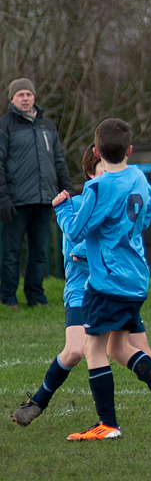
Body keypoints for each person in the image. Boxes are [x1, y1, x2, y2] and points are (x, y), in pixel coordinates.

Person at [12, 145, 151, 427]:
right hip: (83, 289)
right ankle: (38, 401)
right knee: (76, 350)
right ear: (91, 173)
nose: (111, 176)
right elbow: (76, 252)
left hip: (113, 286)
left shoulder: (118, 194)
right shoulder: (76, 205)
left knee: (138, 346)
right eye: (103, 170)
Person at [52, 119, 151, 440]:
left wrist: (61, 210)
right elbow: (143, 219)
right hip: (136, 278)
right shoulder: (141, 178)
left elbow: (75, 231)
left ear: (97, 153)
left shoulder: (98, 188)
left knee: (94, 348)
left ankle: (108, 424)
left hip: (108, 282)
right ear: (130, 150)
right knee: (118, 347)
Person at [0, 78, 74, 310]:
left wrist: (67, 188)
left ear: (34, 97)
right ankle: (8, 298)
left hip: (45, 200)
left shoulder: (47, 126)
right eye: (20, 95)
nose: (25, 98)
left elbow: (59, 160)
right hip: (16, 200)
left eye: (28, 94)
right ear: (11, 99)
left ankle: (36, 296)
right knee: (11, 252)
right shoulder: (5, 126)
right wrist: (3, 197)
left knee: (39, 252)